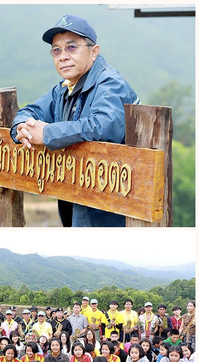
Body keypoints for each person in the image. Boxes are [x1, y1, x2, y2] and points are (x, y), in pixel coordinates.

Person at [11, 14, 139, 227]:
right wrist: (21, 128)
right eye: (56, 50)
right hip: (78, 203)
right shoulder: (64, 88)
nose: (63, 56)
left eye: (72, 47)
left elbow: (103, 126)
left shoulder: (110, 84)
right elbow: (31, 111)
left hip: (110, 213)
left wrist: (48, 134)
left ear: (94, 51)